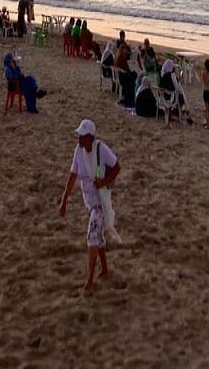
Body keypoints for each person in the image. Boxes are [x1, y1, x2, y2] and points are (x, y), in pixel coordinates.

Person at [59, 118, 122, 291]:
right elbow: (72, 176)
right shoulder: (78, 151)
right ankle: (105, 268)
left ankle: (90, 279)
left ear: (91, 137)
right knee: (97, 235)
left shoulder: (101, 149)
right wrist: (64, 200)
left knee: (92, 236)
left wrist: (104, 181)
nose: (79, 139)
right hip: (89, 200)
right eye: (79, 135)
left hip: (100, 201)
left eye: (83, 136)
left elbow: (117, 167)